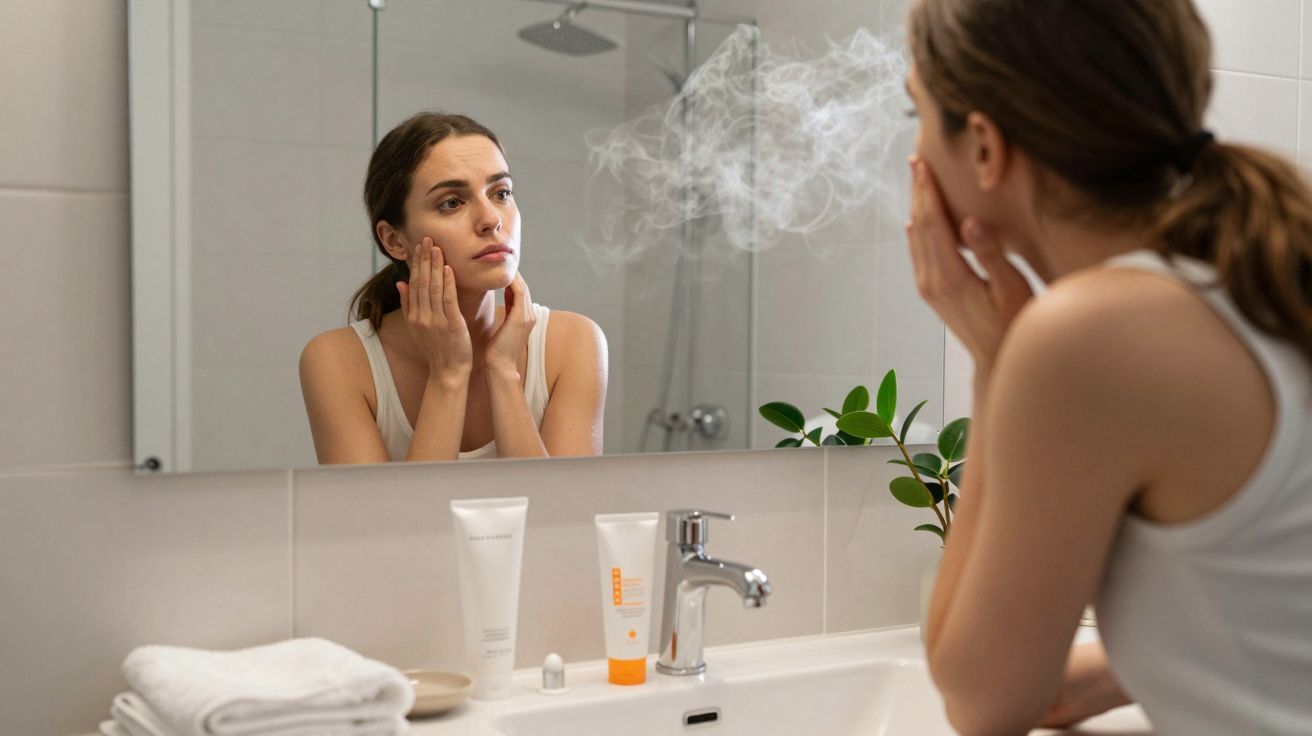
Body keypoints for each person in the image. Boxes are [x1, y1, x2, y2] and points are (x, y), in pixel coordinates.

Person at [902, 1, 1312, 733]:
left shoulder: (1091, 335)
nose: (918, 155)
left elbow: (981, 703)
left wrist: (996, 364)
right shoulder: (1252, 282)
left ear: (988, 148)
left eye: (919, 117)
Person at [300, 112, 607, 463]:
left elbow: (560, 512)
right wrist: (448, 374)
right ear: (395, 240)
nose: (491, 219)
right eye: (452, 202)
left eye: (501, 193)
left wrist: (504, 371)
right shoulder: (338, 361)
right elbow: (390, 519)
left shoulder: (573, 343)